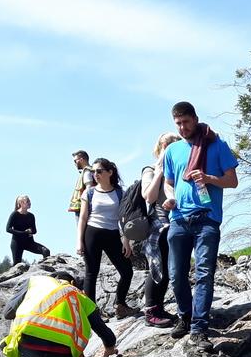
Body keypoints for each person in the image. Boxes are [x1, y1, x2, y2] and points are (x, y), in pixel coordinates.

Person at [162, 101, 239, 350]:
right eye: (178, 124)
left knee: (204, 273)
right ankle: (185, 316)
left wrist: (208, 178)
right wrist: (169, 197)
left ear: (195, 119)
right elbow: (168, 182)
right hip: (179, 219)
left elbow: (232, 181)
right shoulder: (173, 150)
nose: (183, 127)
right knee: (176, 275)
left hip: (207, 218)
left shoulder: (217, 145)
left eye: (186, 122)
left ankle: (199, 327)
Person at [1, 271, 117, 357]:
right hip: (61, 348)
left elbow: (8, 313)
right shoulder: (77, 293)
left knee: (23, 331)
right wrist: (109, 346)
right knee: (64, 343)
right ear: (72, 283)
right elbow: (100, 326)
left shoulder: (36, 281)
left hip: (29, 344)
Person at [75, 158, 135, 317]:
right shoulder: (89, 192)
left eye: (99, 171)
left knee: (127, 271)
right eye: (93, 171)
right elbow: (83, 217)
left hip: (113, 234)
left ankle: (120, 305)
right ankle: (91, 313)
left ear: (110, 172)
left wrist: (126, 241)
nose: (96, 174)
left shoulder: (120, 192)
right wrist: (79, 241)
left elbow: (125, 218)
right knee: (91, 273)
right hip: (92, 233)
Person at [138, 131, 183, 327]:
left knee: (167, 267)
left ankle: (159, 307)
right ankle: (150, 311)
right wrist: (159, 171)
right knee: (157, 266)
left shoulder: (179, 169)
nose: (170, 149)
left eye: (174, 145)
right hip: (158, 223)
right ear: (160, 148)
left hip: (174, 222)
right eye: (167, 145)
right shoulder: (150, 170)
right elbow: (149, 196)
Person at [7, 196, 51, 265]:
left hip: (29, 242)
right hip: (17, 243)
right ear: (21, 203)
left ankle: (46, 269)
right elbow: (8, 229)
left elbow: (34, 230)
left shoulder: (31, 216)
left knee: (46, 251)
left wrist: (31, 231)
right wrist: (24, 233)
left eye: (29, 201)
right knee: (17, 265)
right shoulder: (14, 214)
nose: (30, 203)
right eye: (27, 201)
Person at [68, 150, 95, 220]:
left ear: (81, 159)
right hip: (85, 207)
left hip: (83, 207)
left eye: (75, 161)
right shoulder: (91, 171)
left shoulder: (87, 172)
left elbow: (89, 189)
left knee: (82, 229)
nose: (74, 163)